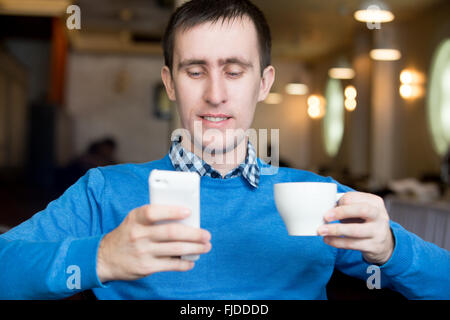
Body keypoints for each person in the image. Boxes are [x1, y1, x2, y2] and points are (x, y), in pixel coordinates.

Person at [0, 0, 448, 300]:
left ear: (264, 83)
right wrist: (100, 256)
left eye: (234, 71)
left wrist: (391, 247)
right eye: (196, 71)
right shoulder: (104, 191)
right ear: (171, 83)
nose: (215, 94)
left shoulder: (319, 197)